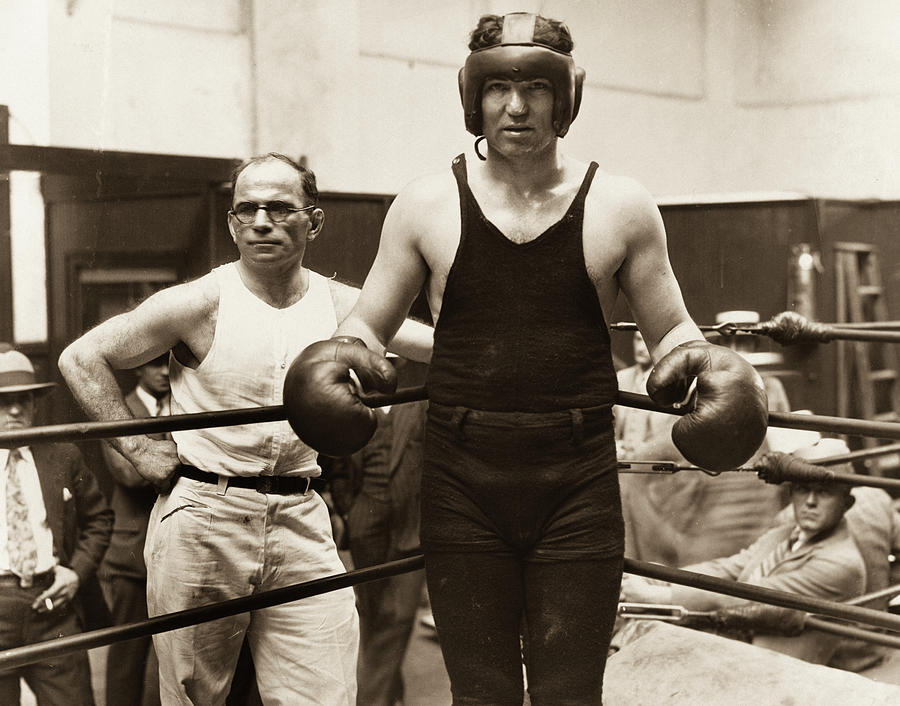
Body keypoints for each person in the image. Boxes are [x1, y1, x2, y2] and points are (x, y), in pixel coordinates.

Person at [286, 12, 769, 704]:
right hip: (461, 484)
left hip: (577, 484)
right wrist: (342, 366)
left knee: (571, 691)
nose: (516, 107)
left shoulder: (620, 205)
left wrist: (710, 371)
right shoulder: (425, 205)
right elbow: (367, 325)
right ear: (472, 97)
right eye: (499, 87)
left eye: (537, 87)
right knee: (480, 693)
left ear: (565, 96)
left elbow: (673, 332)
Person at [57, 153, 433, 705]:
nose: (261, 221)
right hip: (206, 514)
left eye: (280, 208)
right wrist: (138, 447)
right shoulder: (200, 302)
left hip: (301, 513)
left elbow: (442, 348)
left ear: (314, 220)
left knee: (325, 691)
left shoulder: (340, 304)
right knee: (193, 695)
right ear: (232, 223)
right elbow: (81, 357)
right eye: (247, 209)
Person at [620, 438, 867, 665]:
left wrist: (658, 597)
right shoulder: (783, 534)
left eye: (823, 492)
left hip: (774, 676)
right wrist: (662, 581)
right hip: (738, 654)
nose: (810, 501)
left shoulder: (841, 562)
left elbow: (748, 596)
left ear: (847, 503)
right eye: (803, 489)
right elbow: (726, 568)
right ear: (791, 493)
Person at [0, 343, 113, 706]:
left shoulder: (61, 455)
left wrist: (76, 572)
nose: (15, 409)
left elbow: (99, 518)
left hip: (52, 608)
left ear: (35, 404)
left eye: (24, 399)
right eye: (3, 401)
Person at [330, 357, 428, 706]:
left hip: (412, 528)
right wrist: (348, 509)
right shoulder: (350, 403)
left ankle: (370, 700)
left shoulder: (418, 398)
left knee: (399, 619)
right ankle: (388, 697)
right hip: (365, 526)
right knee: (373, 619)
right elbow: (337, 466)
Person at [99, 354, 170, 706]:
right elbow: (129, 474)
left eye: (169, 363)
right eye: (156, 364)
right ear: (138, 367)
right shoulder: (116, 409)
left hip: (178, 546)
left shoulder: (188, 406)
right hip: (133, 557)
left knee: (178, 656)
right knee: (127, 657)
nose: (164, 372)